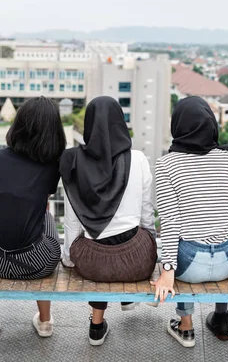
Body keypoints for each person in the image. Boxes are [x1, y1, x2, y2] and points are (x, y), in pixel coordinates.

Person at [60, 96, 157, 346]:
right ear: (120, 123)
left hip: (92, 263)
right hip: (137, 261)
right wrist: (149, 251)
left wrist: (70, 260)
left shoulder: (73, 161)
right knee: (133, 233)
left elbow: (71, 222)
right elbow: (147, 216)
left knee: (96, 243)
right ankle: (126, 293)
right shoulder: (138, 159)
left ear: (89, 124)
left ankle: (96, 326)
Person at [152, 96, 228, 348]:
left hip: (189, 265)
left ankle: (186, 326)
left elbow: (169, 221)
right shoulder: (227, 159)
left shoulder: (166, 164)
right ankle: (222, 316)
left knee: (178, 241)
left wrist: (167, 271)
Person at [0, 97, 65, 338]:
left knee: (37, 220)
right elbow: (38, 204)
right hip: (39, 264)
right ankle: (45, 321)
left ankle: (44, 319)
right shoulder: (51, 166)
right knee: (45, 217)